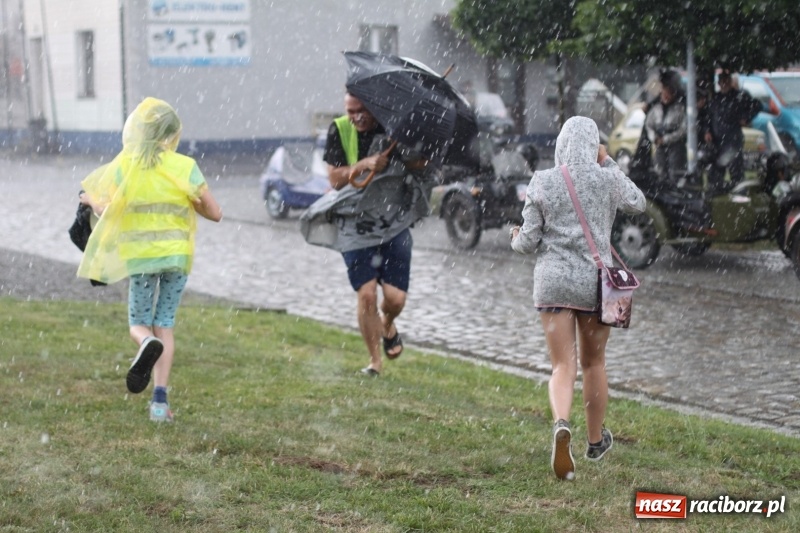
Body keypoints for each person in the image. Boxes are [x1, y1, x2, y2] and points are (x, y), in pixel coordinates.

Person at [509, 116, 646, 481]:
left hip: (553, 283)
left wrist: (514, 237)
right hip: (595, 284)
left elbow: (527, 242)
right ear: (594, 144)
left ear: (560, 144)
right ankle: (596, 440)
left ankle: (560, 424)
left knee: (562, 366)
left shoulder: (542, 181)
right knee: (594, 364)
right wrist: (608, 162)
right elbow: (640, 202)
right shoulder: (607, 179)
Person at [77, 97, 222, 422]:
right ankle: (159, 403)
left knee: (139, 324)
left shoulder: (126, 165)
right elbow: (215, 213)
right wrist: (194, 201)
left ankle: (144, 344)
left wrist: (88, 199)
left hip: (142, 260)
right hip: (177, 258)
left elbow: (104, 208)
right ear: (172, 134)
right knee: (165, 324)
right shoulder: (185, 166)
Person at [322, 92, 430, 376]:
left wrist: (416, 155)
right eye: (350, 110)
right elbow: (334, 180)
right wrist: (363, 165)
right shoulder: (339, 129)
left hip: (393, 222)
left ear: (374, 107)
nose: (355, 116)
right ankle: (374, 362)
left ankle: (387, 324)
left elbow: (419, 166)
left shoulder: (395, 127)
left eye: (361, 110)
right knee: (367, 295)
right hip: (355, 225)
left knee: (395, 300)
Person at [704, 68, 762, 194]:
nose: (724, 84)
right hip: (717, 140)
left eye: (726, 81)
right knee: (716, 171)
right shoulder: (716, 99)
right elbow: (709, 117)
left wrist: (746, 118)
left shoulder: (739, 96)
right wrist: (707, 131)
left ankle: (740, 195)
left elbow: (757, 105)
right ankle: (716, 195)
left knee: (736, 170)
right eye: (721, 82)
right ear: (718, 84)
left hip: (733, 139)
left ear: (730, 82)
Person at [644, 70, 687, 184]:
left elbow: (682, 130)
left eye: (669, 93)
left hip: (675, 146)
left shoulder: (679, 109)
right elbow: (649, 125)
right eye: (664, 93)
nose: (666, 96)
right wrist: (654, 138)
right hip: (659, 146)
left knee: (675, 172)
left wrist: (667, 139)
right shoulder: (656, 109)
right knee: (660, 171)